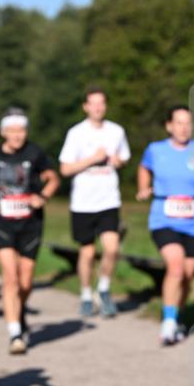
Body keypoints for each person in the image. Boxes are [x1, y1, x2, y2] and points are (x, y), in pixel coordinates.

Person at [136, 105, 194, 345]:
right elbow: (144, 167)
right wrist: (143, 187)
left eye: (188, 123)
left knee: (186, 276)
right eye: (178, 122)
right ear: (169, 126)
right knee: (175, 268)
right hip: (163, 219)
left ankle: (175, 318)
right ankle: (167, 323)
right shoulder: (156, 150)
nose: (183, 128)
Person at [0, 107, 59, 354]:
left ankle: (19, 311)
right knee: (10, 276)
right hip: (3, 223)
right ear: (4, 132)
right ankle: (15, 332)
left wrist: (43, 196)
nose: (17, 135)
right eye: (12, 130)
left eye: (21, 130)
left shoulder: (35, 153)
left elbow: (53, 178)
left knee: (25, 282)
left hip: (30, 223)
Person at [59, 86, 131, 318]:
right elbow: (65, 168)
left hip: (108, 200)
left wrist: (118, 161)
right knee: (88, 253)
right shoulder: (76, 133)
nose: (98, 107)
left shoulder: (116, 131)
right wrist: (93, 159)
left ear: (105, 106)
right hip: (83, 202)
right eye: (93, 103)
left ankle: (104, 289)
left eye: (101, 103)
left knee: (111, 249)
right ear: (86, 106)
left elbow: (123, 158)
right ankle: (86, 295)